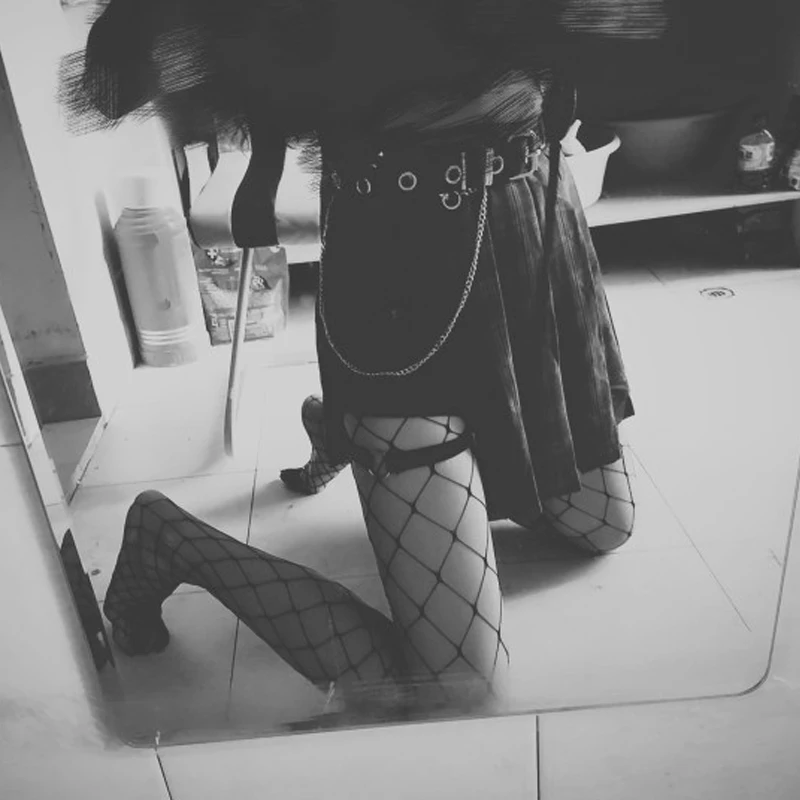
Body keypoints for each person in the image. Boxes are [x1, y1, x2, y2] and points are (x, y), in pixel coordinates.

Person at [60, 0, 666, 722]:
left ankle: (345, 429)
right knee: (457, 690)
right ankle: (170, 541)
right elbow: (119, 72)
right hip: (404, 253)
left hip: (534, 211)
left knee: (604, 525)